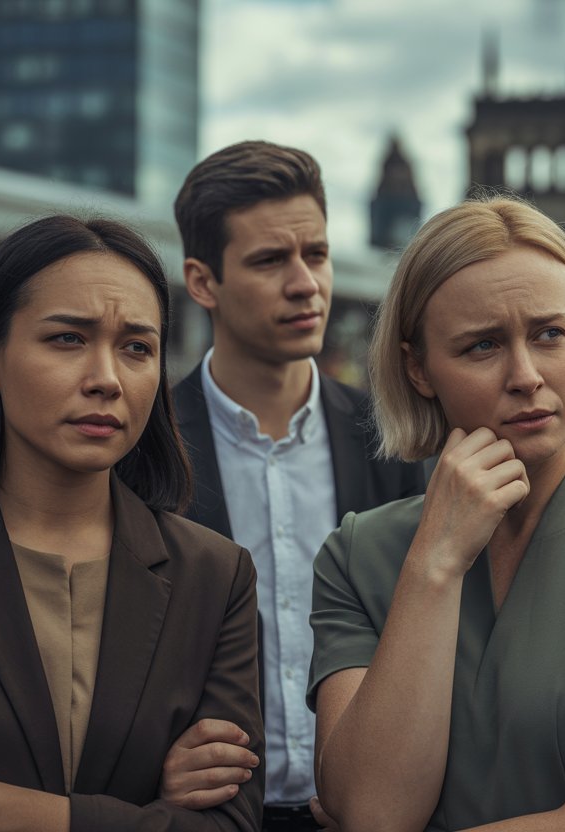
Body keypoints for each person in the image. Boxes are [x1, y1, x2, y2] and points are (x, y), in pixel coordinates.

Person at [307, 197, 565, 832]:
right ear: (418, 368)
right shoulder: (356, 554)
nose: (526, 375)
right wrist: (436, 563)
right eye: (482, 346)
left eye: (549, 334)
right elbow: (376, 809)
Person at [0, 216, 264, 831]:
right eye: (67, 339)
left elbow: (228, 826)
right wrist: (147, 812)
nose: (107, 380)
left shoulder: (215, 576)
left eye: (137, 348)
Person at [168, 140, 426, 831]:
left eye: (315, 253)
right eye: (269, 260)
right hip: (208, 816)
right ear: (202, 281)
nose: (305, 282)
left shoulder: (395, 439)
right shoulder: (146, 446)